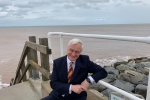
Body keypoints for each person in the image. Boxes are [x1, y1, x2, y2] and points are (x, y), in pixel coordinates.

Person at [41, 38, 108, 100]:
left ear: (80, 52)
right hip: (59, 95)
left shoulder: (85, 61)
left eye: (77, 52)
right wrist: (71, 87)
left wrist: (88, 80)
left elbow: (103, 72)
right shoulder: (58, 62)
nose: (73, 54)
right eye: (71, 50)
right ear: (67, 48)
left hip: (77, 96)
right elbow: (54, 83)